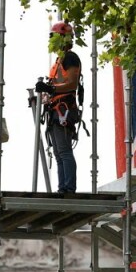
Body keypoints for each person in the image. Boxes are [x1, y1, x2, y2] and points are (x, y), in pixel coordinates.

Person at [35, 22, 81, 194]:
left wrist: (51, 89)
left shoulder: (70, 58)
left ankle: (68, 188)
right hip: (56, 109)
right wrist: (47, 93)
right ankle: (63, 187)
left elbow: (71, 83)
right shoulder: (59, 61)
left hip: (64, 109)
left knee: (64, 151)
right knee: (58, 152)